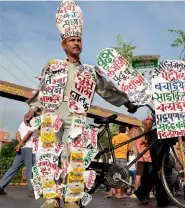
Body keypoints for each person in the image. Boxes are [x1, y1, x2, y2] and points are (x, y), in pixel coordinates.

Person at [23, 0, 136, 207]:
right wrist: (32, 110)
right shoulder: (53, 67)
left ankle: (72, 198)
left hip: (77, 116)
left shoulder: (90, 72)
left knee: (74, 156)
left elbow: (107, 91)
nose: (76, 43)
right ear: (63, 45)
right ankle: (51, 197)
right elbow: (44, 91)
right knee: (48, 155)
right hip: (51, 113)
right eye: (72, 40)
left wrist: (127, 102)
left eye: (79, 40)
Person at [0, 121, 35, 197]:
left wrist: (19, 144)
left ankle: (0, 185)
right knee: (29, 169)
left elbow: (17, 134)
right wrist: (20, 144)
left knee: (13, 169)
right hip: (29, 148)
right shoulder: (35, 121)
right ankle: (32, 190)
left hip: (21, 148)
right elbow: (29, 134)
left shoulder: (23, 122)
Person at [112, 125, 130, 199]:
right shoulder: (127, 138)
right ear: (125, 130)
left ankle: (117, 193)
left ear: (119, 130)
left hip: (116, 157)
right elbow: (128, 150)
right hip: (123, 157)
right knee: (123, 175)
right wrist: (127, 158)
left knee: (116, 175)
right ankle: (121, 194)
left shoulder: (115, 137)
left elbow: (112, 147)